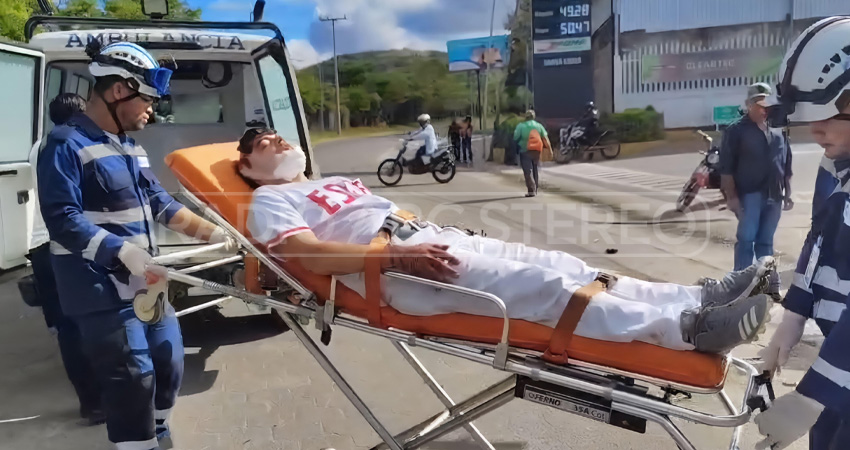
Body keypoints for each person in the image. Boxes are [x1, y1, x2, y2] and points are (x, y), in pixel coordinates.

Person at [237, 127, 775, 354]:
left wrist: (415, 240)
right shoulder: (269, 200)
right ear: (247, 169)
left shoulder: (332, 182)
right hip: (398, 269)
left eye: (277, 134)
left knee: (568, 266)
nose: (275, 139)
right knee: (543, 287)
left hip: (427, 242)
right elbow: (305, 254)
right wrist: (397, 254)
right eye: (262, 143)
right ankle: (687, 332)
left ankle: (698, 299)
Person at [37, 41, 236, 450]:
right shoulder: (65, 144)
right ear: (117, 91)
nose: (152, 110)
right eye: (146, 100)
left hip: (146, 282)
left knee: (169, 360)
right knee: (133, 378)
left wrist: (216, 233)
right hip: (98, 286)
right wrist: (121, 251)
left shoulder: (130, 147)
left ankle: (157, 433)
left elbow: (160, 204)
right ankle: (138, 443)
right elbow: (61, 218)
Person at [754, 16, 850, 450]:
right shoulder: (838, 167)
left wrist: (814, 395)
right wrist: (795, 313)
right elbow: (820, 242)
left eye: (828, 113)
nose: (815, 128)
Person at [27, 93, 104, 426]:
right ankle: (99, 400)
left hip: (41, 246)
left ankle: (92, 403)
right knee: (84, 326)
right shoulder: (68, 146)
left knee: (66, 328)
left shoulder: (41, 146)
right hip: (65, 246)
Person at [719, 82, 794, 295]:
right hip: (749, 195)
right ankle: (740, 286)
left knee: (766, 242)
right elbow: (726, 168)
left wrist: (787, 193)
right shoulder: (736, 131)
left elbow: (786, 165)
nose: (764, 109)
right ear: (748, 104)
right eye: (759, 104)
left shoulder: (778, 133)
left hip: (775, 196)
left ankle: (767, 285)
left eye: (766, 105)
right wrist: (731, 197)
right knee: (746, 240)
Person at [513, 110, 553, 197]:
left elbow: (515, 137)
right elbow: (545, 138)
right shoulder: (539, 126)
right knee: (535, 169)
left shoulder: (521, 126)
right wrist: (550, 150)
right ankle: (535, 188)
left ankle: (531, 190)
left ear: (526, 117)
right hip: (537, 150)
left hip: (525, 150)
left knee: (528, 170)